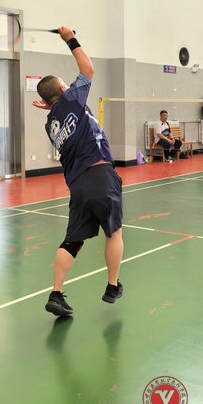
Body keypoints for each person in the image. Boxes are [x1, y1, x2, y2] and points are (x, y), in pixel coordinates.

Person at [33, 26, 124, 317]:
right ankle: (112, 286)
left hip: (77, 185)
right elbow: (88, 69)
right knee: (114, 232)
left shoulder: (50, 123)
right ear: (64, 90)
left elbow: (63, 112)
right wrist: (69, 38)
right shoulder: (71, 99)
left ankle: (56, 294)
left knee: (72, 241)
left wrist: (51, 106)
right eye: (65, 86)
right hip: (100, 174)